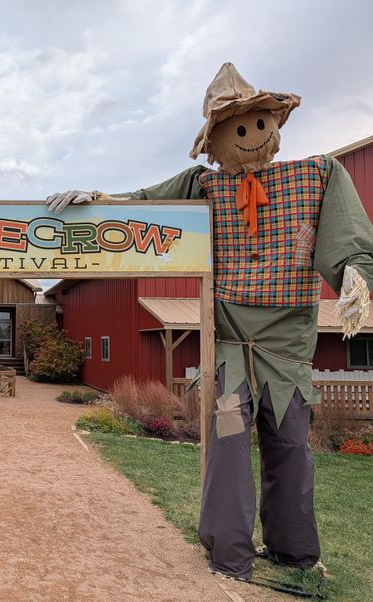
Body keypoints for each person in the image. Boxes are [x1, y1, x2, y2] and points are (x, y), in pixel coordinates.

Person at [46, 63, 373, 580]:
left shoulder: (316, 176)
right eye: (237, 130)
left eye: (259, 125)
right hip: (230, 352)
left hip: (287, 353)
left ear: (275, 126)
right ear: (215, 142)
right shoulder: (203, 186)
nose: (251, 138)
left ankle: (294, 553)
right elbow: (147, 204)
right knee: (227, 449)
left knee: (291, 449)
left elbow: (346, 234)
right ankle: (231, 557)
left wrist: (355, 271)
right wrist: (99, 201)